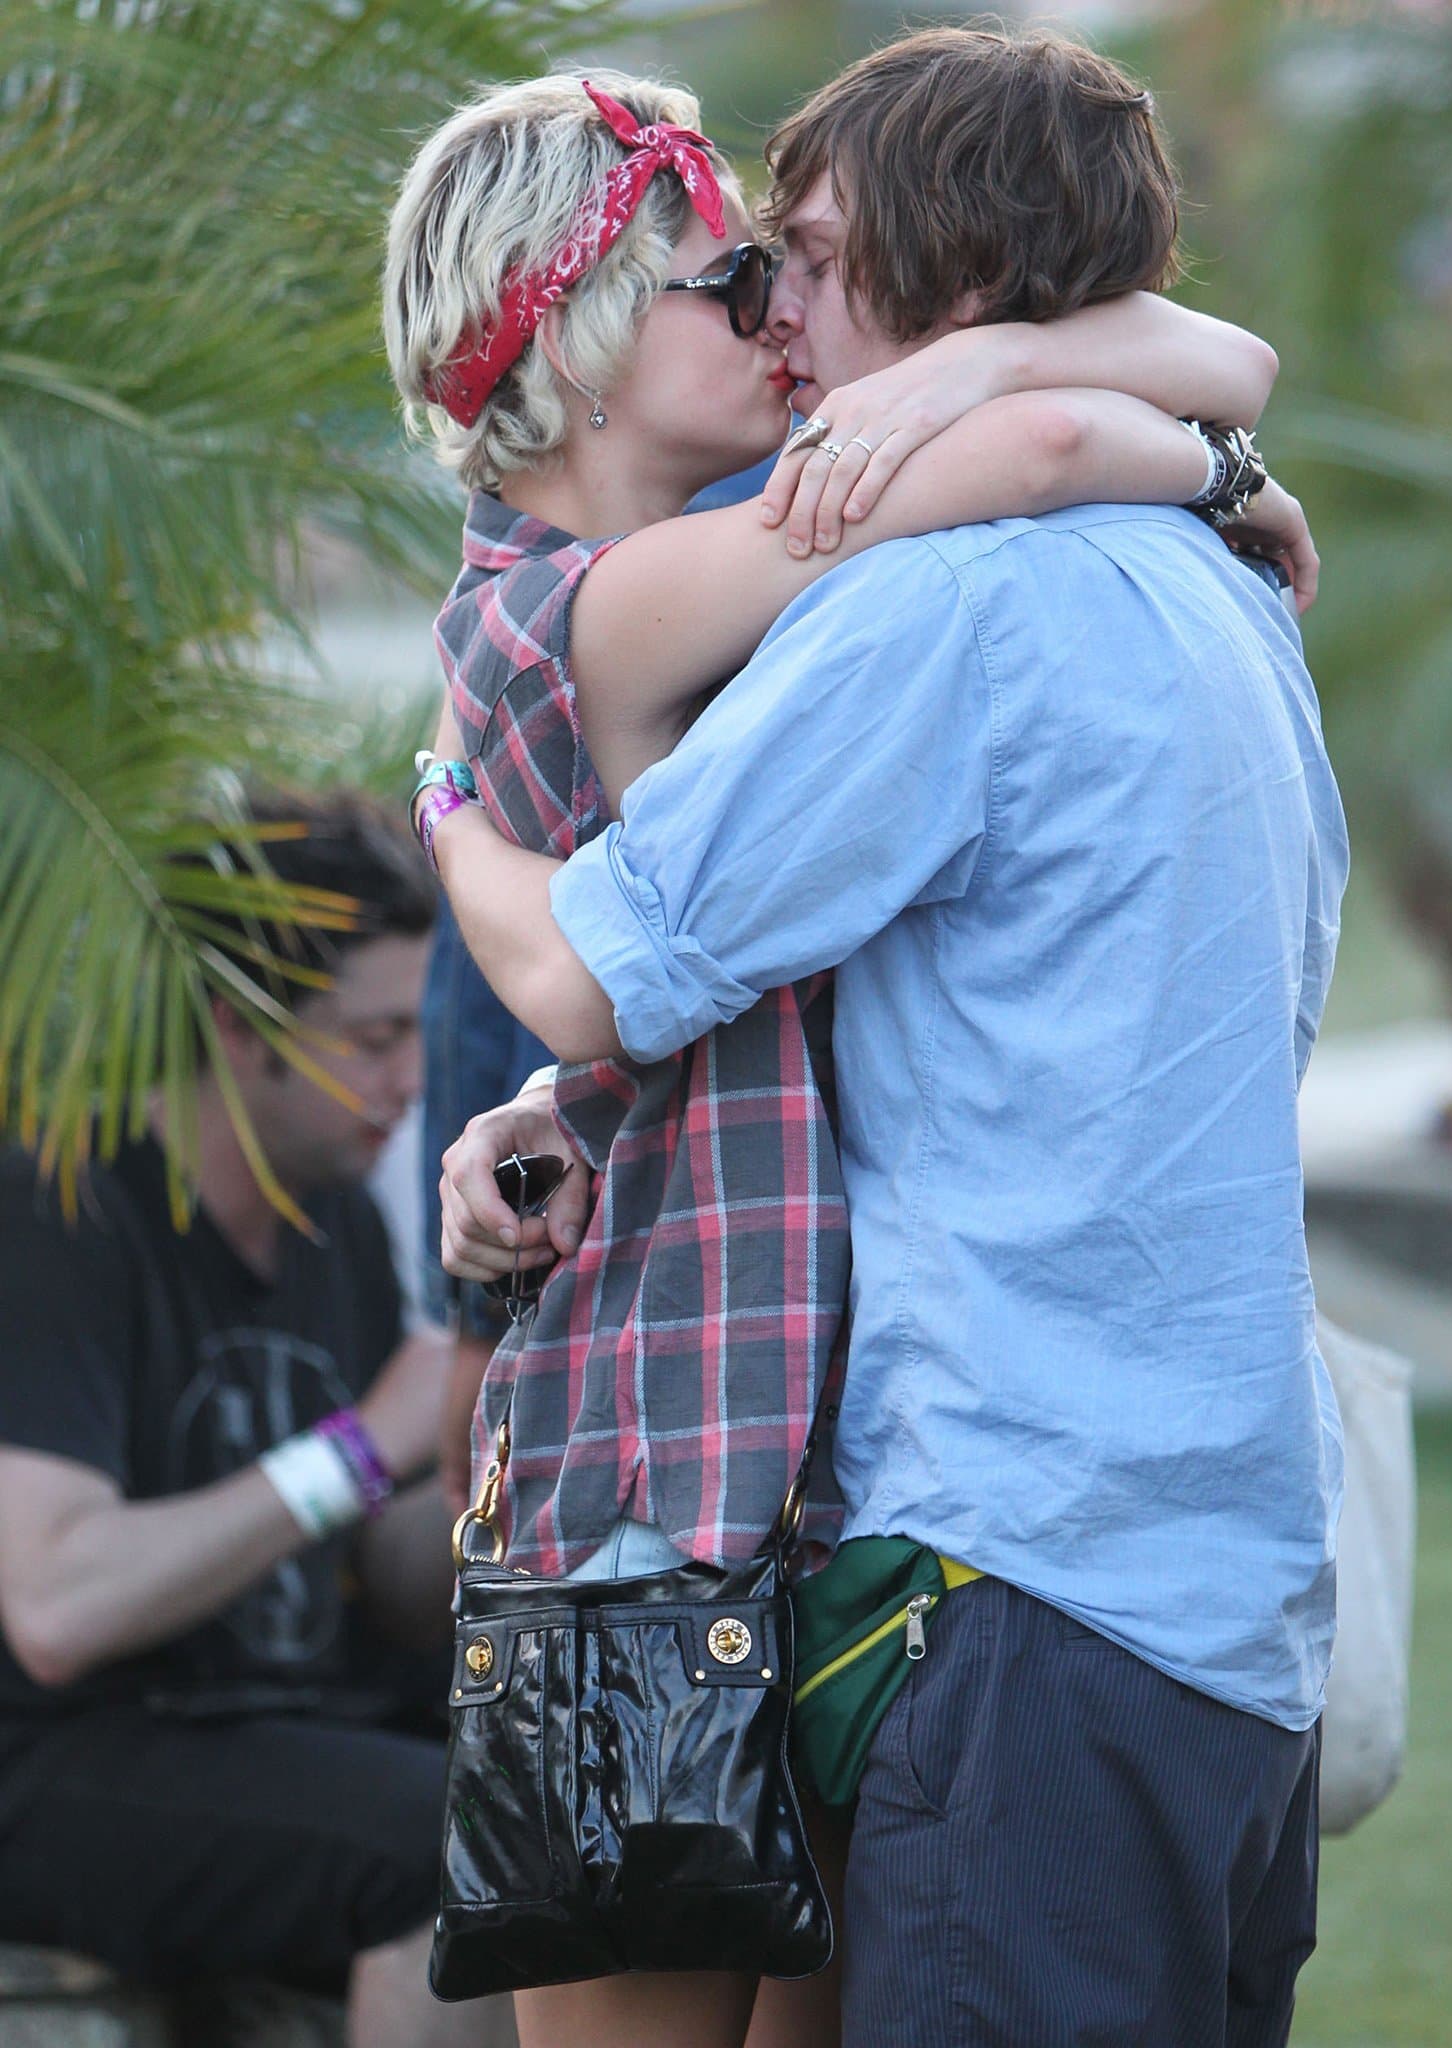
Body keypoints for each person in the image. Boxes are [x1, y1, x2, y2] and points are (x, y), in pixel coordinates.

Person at [430, 23, 1346, 2048]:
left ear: (944, 283)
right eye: (736, 268)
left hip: (1018, 1568)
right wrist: (1151, 431)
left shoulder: (936, 606)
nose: (783, 309)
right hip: (1215, 1591)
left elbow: (603, 964)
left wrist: (445, 822)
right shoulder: (1220, 592)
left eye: (811, 259)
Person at [0, 794, 512, 2048]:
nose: (412, 1081)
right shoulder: (61, 1207)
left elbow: (386, 1569)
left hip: (281, 1723)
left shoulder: (332, 1219)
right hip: (78, 1755)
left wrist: (499, 1489)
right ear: (240, 1025)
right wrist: (358, 1447)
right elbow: (57, 1607)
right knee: (459, 1832)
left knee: (575, 1764)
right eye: (377, 1037)